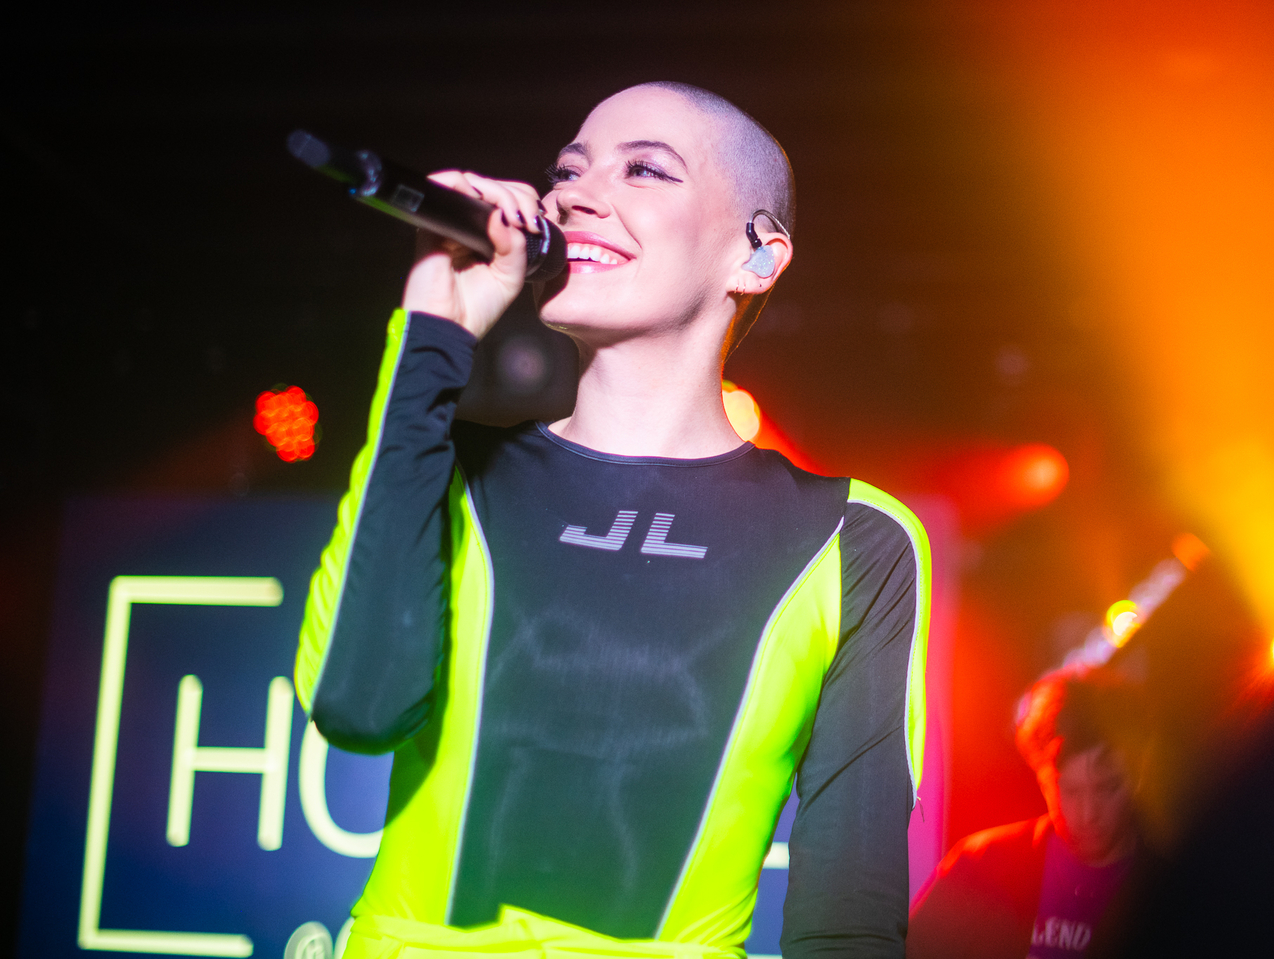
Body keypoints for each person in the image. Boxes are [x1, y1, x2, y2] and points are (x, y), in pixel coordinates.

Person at [292, 82, 931, 959]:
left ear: (758, 255)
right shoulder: (451, 471)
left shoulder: (854, 537)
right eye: (566, 170)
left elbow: (849, 914)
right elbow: (356, 708)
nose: (573, 195)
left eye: (644, 170)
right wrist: (434, 334)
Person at [907, 669, 1152, 959]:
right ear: (1040, 778)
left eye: (1107, 788)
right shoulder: (981, 866)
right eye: (1069, 791)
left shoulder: (1175, 888)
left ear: (1139, 774)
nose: (1088, 814)